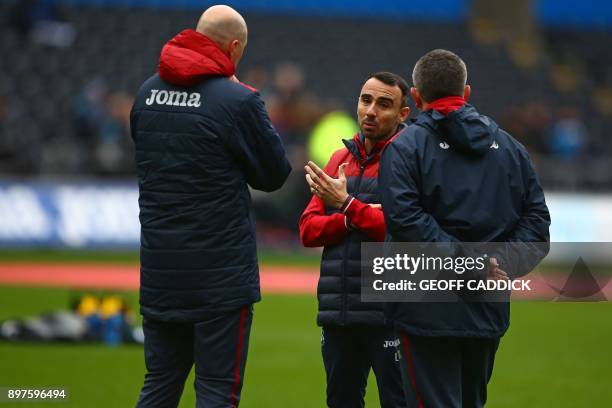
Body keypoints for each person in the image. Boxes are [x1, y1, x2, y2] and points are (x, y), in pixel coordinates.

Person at [130, 5, 291, 407]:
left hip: (161, 271)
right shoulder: (238, 101)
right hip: (220, 279)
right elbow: (273, 175)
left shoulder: (147, 92)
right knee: (218, 390)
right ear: (234, 47)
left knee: (160, 384)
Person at [378, 49, 551, 407]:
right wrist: (498, 267)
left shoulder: (404, 147)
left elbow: (408, 223)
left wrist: (469, 265)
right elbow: (537, 224)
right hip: (486, 303)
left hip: (424, 305)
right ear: (467, 92)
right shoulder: (513, 149)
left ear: (415, 95)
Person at [299, 72, 410, 408]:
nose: (371, 111)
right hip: (340, 311)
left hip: (390, 313)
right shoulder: (339, 159)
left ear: (403, 114)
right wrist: (355, 216)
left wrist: (346, 206)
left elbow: (399, 231)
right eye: (366, 100)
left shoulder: (409, 160)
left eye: (384, 104)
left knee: (399, 401)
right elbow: (307, 230)